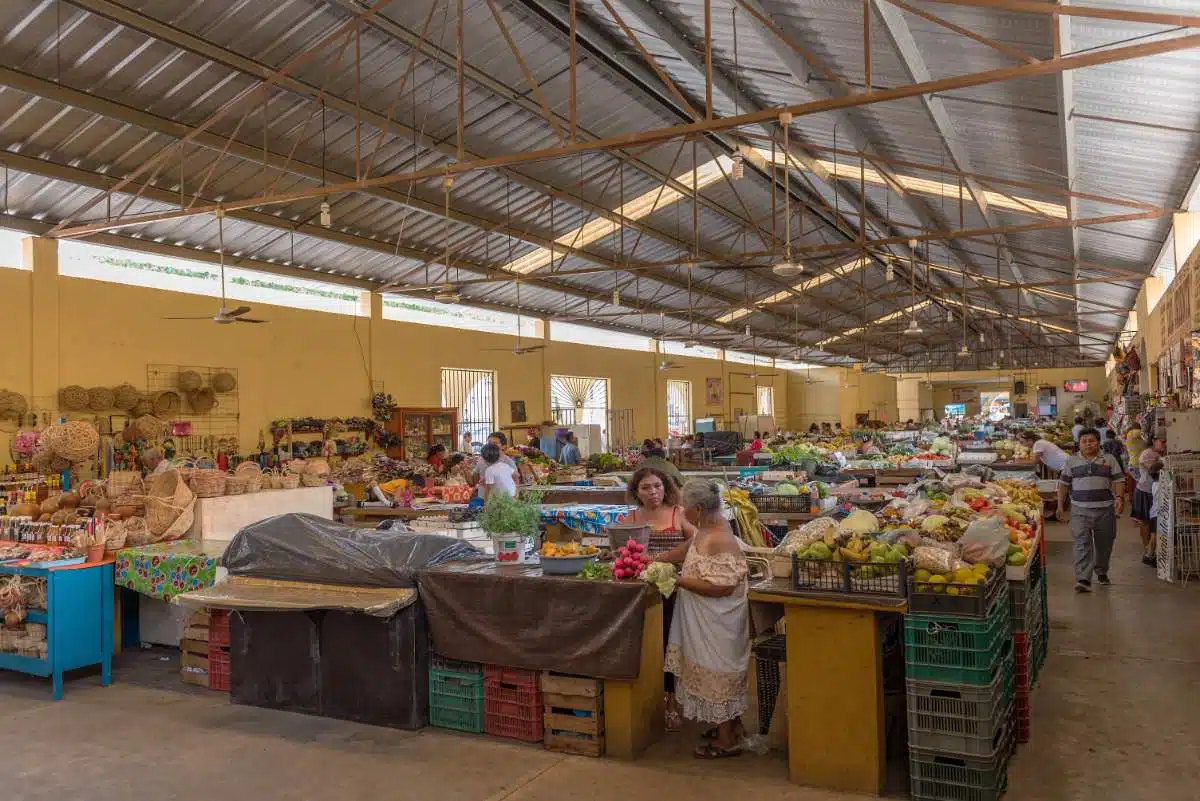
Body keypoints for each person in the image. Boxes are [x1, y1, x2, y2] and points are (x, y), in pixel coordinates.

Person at [660, 479, 750, 759]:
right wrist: (655, 559)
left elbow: (723, 587)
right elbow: (688, 548)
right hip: (705, 622)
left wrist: (678, 581)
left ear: (698, 509)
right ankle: (732, 727)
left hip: (717, 623)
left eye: (685, 507)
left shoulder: (720, 537)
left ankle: (727, 741)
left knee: (718, 673)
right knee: (712, 672)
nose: (682, 511)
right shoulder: (708, 528)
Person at [626, 467, 699, 732]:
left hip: (674, 590)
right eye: (646, 487)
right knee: (650, 647)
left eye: (657, 486)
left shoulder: (678, 513)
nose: (653, 492)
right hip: (643, 593)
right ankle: (651, 701)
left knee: (671, 643)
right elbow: (623, 548)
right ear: (636, 492)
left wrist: (662, 559)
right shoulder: (631, 518)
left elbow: (695, 542)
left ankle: (671, 703)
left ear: (665, 487)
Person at [1058, 427, 1125, 593]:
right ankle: (1083, 579)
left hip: (1105, 510)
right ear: (1079, 444)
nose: (1088, 444)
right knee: (1081, 543)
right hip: (1080, 510)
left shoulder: (1109, 459)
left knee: (1105, 543)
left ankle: (1101, 571)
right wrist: (1060, 505)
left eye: (1091, 441)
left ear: (1098, 442)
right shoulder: (1071, 461)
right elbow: (1063, 484)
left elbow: (1119, 480)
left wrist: (1119, 498)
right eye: (1084, 441)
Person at [1132, 437, 1165, 566]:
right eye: (1161, 441)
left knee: (1153, 523)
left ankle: (1150, 552)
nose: (1163, 443)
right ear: (1153, 442)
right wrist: (1162, 461)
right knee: (1146, 522)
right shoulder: (1147, 454)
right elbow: (1152, 469)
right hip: (1145, 491)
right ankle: (1148, 550)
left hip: (1153, 492)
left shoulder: (1158, 454)